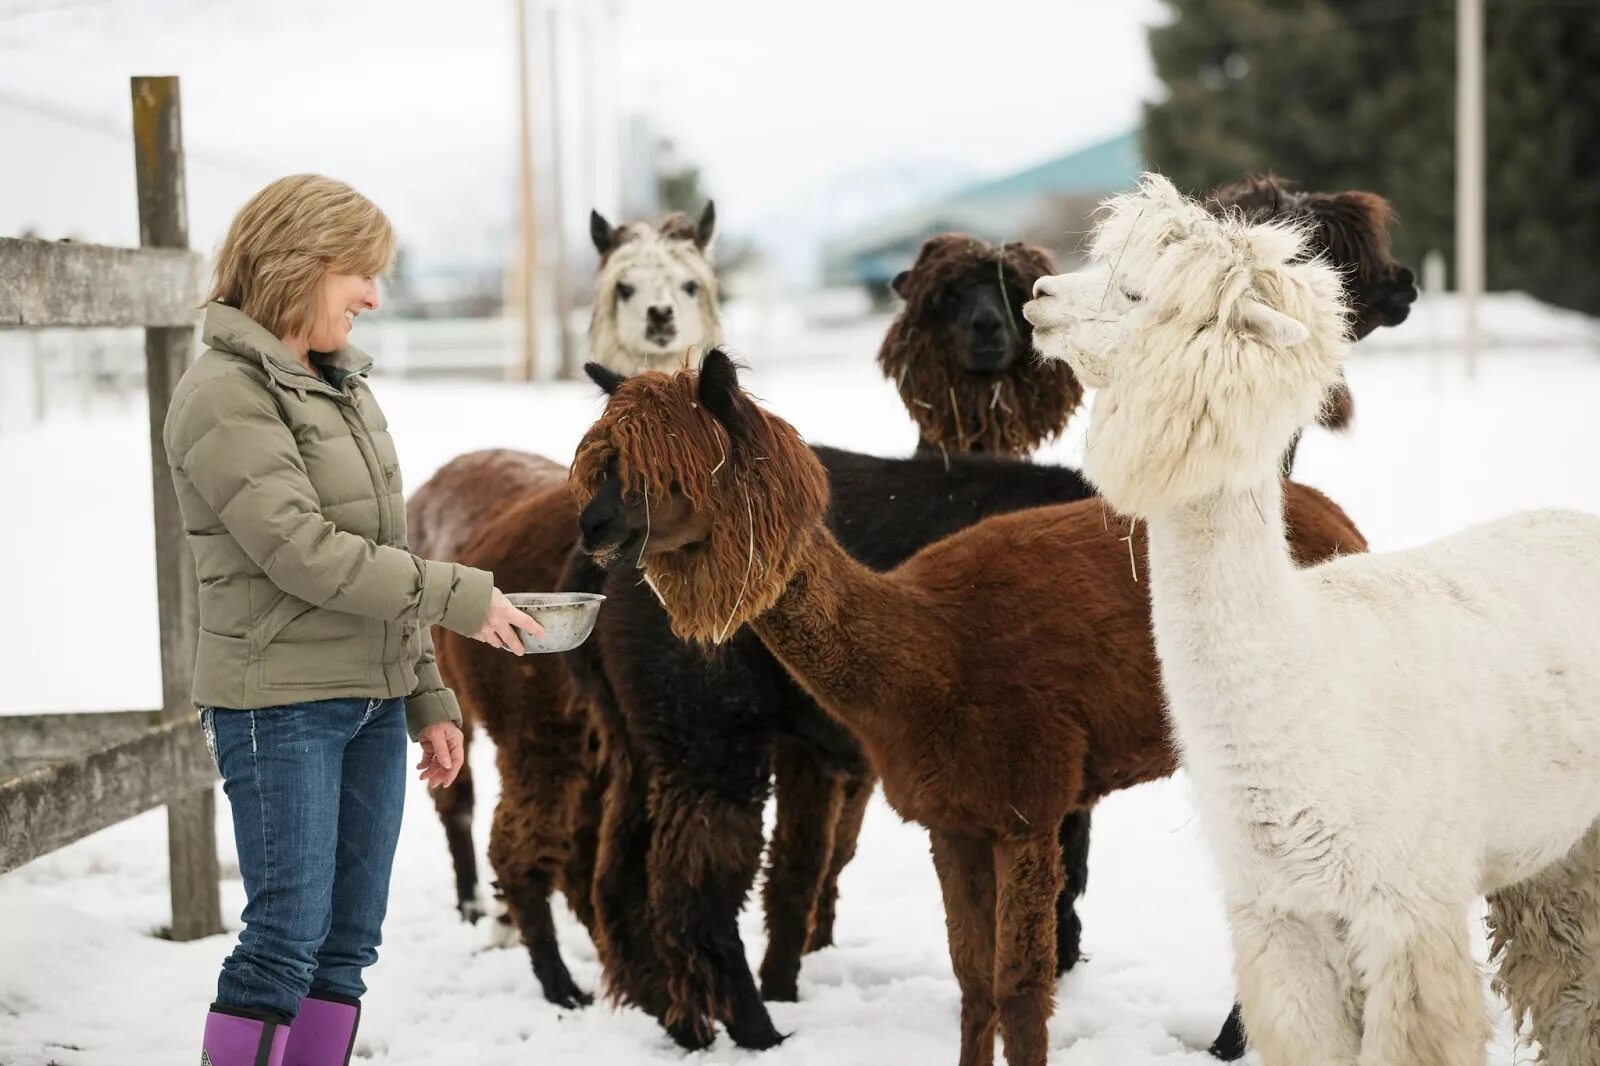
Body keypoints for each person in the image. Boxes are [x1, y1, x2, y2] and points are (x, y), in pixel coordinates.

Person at [163, 174, 544, 1066]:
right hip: (281, 707)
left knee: (346, 948)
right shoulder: (225, 395)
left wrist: (427, 694)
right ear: (298, 265)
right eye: (358, 274)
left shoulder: (340, 388)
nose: (374, 295)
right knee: (283, 944)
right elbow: (302, 550)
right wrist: (464, 597)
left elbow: (383, 552)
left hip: (370, 703)